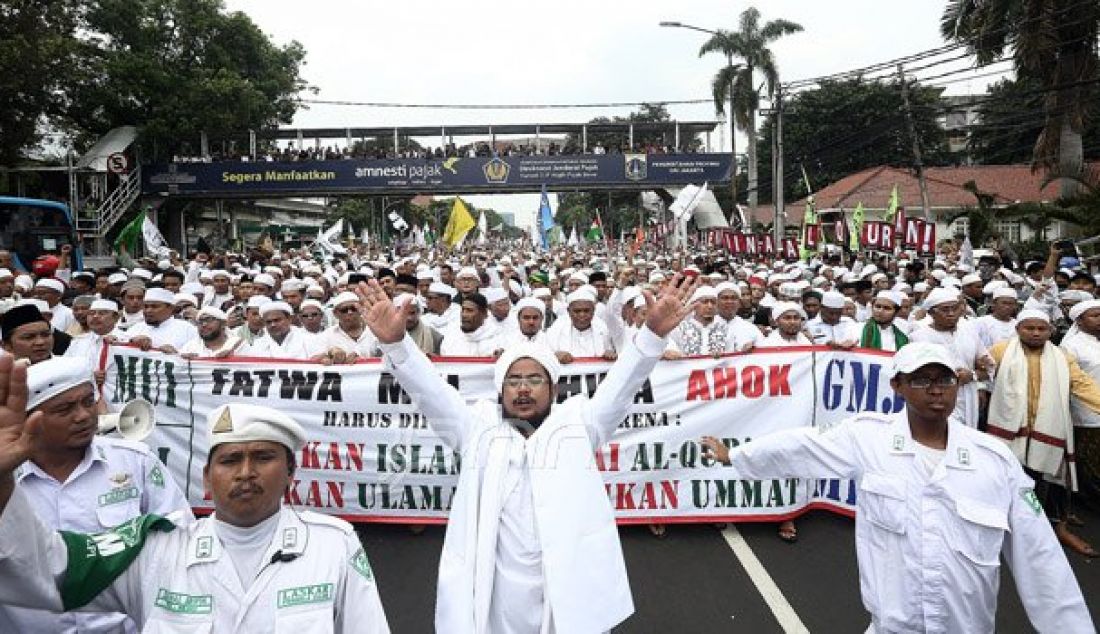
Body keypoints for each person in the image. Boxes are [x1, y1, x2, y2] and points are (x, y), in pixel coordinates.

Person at [358, 274, 697, 634]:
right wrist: (397, 345)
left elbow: (623, 385)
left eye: (534, 380)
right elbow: (431, 393)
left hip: (565, 592)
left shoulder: (579, 424)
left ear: (552, 388)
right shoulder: (476, 428)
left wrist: (652, 337)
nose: (523, 389)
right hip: (496, 599)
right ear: (500, 389)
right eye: (513, 381)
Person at [701, 342, 1093, 633]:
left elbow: (1041, 559)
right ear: (898, 386)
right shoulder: (867, 439)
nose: (937, 390)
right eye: (922, 380)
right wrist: (735, 456)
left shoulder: (995, 460)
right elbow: (802, 446)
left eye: (945, 380)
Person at [0, 385, 390, 632]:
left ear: (291, 472)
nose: (246, 473)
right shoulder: (153, 548)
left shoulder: (333, 544)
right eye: (230, 460)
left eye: (264, 457)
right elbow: (46, 572)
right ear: (206, 477)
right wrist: (2, 483)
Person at [1, 356, 193, 632]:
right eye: (64, 409)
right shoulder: (6, 479)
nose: (83, 416)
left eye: (88, 401)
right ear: (30, 419)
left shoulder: (136, 462)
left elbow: (178, 537)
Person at [986, 309, 1100, 557]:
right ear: (1018, 329)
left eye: (1042, 329)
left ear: (1051, 331)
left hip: (1049, 428)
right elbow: (981, 377)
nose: (1036, 333)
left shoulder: (1061, 357)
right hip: (1009, 432)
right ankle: (1004, 530)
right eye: (1030, 328)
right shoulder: (1000, 351)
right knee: (1009, 480)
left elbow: (1082, 384)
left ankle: (1058, 529)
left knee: (1053, 481)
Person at [123, 288, 199, 354]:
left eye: (154, 307)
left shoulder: (187, 329)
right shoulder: (137, 328)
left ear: (171, 308)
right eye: (145, 307)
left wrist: (177, 354)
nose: (148, 310)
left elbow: (198, 356)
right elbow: (119, 347)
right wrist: (132, 342)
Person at [178, 306, 245, 358]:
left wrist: (232, 358)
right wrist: (183, 361)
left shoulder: (238, 345)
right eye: (200, 321)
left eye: (209, 320)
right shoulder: (190, 347)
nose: (204, 324)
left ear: (223, 324)